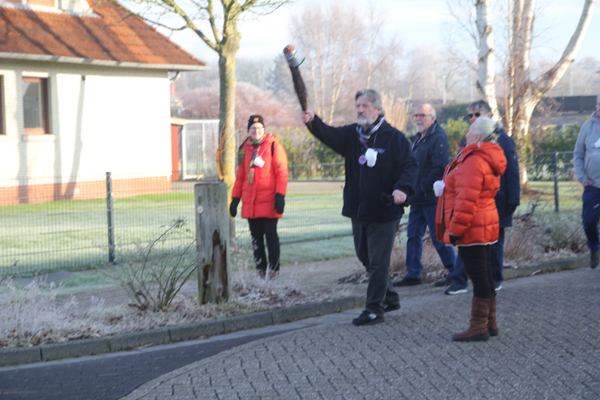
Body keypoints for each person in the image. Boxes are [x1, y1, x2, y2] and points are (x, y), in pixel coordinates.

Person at [301, 89, 418, 326]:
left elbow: (411, 166)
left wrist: (402, 189)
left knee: (378, 262)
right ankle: (390, 297)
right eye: (358, 106)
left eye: (365, 106)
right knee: (365, 256)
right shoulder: (352, 135)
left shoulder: (394, 138)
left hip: (384, 211)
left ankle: (374, 309)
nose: (360, 110)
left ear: (378, 110)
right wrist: (313, 121)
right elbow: (328, 134)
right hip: (358, 210)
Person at [436, 117, 506, 341]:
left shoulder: (473, 160)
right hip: (485, 221)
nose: (465, 134)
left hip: (472, 226)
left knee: (479, 276)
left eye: (469, 131)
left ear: (476, 136)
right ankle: (489, 323)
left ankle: (478, 327)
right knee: (484, 273)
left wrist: (455, 230)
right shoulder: (488, 156)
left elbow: (466, 200)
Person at [445, 100, 521, 295]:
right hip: (475, 203)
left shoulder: (503, 140)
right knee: (470, 244)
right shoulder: (468, 141)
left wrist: (513, 198)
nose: (472, 118)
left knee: (493, 245)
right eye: (470, 115)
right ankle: (460, 280)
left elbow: (512, 170)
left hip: (497, 201)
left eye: (476, 114)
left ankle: (494, 280)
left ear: (489, 115)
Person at [393, 104, 456, 288]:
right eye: (416, 116)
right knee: (413, 235)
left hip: (430, 198)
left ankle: (455, 271)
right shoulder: (418, 139)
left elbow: (439, 169)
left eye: (422, 115)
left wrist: (419, 189)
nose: (418, 119)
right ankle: (413, 274)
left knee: (438, 236)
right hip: (417, 198)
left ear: (432, 118)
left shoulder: (438, 138)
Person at [230, 115, 289, 279]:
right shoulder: (243, 149)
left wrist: (280, 195)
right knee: (256, 238)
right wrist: (235, 199)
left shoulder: (274, 146)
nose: (256, 131)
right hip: (251, 203)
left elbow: (282, 172)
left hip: (269, 200)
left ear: (264, 129)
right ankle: (260, 269)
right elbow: (240, 176)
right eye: (253, 128)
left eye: (259, 128)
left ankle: (274, 269)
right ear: (248, 130)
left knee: (271, 235)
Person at [574, 93, 600, 269]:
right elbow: (578, 154)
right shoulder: (587, 128)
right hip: (593, 185)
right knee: (589, 221)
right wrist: (583, 178)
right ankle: (595, 249)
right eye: (599, 104)